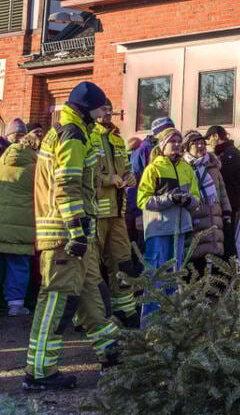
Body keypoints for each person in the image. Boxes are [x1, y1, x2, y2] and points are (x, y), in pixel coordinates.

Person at [24, 82, 119, 390]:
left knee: (92, 292)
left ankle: (111, 353)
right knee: (56, 300)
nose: (106, 112)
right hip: (67, 236)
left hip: (79, 234)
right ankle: (39, 372)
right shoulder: (73, 134)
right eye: (102, 106)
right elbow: (68, 186)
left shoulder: (74, 130)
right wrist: (76, 232)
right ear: (87, 107)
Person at [138, 118, 201, 321]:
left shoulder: (186, 168)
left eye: (178, 141)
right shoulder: (153, 169)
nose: (176, 145)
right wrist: (169, 199)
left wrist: (189, 200)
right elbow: (143, 200)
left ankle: (174, 322)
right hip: (159, 229)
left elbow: (197, 198)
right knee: (156, 275)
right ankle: (150, 323)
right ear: (163, 145)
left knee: (176, 276)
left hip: (180, 228)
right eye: (172, 141)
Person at [90, 100, 139, 328]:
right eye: (103, 108)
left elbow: (127, 169)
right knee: (91, 266)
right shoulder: (87, 138)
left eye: (110, 109)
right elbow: (81, 174)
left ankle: (125, 309)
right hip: (96, 211)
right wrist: (106, 180)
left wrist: (130, 177)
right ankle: (87, 314)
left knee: (123, 261)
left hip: (117, 212)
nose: (108, 112)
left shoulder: (118, 140)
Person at [0, 129, 39, 317]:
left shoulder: (1, 164)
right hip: (23, 225)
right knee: (18, 265)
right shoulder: (35, 168)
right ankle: (15, 305)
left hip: (1, 222)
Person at [182, 130, 232, 276]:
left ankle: (216, 289)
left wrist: (227, 212)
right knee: (196, 254)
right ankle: (196, 289)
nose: (200, 146)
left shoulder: (213, 165)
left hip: (213, 214)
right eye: (196, 143)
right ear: (187, 147)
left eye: (202, 143)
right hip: (194, 215)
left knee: (216, 254)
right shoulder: (183, 167)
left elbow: (222, 191)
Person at [205, 125, 240, 257]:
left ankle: (229, 268)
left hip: (229, 203)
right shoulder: (223, 153)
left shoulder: (231, 153)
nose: (208, 142)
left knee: (227, 237)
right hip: (226, 201)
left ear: (216, 136)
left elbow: (226, 177)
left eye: (209, 138)